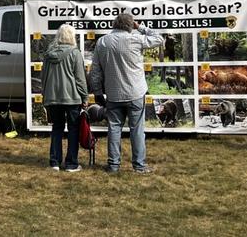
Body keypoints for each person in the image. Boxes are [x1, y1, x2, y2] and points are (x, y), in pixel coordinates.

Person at [88, 13, 164, 174]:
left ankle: (113, 165)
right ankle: (139, 166)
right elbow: (159, 39)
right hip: (136, 93)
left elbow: (95, 71)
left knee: (114, 129)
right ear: (130, 25)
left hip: (113, 94)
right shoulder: (136, 39)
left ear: (114, 24)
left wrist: (97, 91)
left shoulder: (102, 42)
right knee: (137, 130)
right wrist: (140, 27)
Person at [41, 24, 88, 172]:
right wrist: (84, 97)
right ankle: (71, 164)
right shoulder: (75, 53)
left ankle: (54, 162)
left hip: (53, 97)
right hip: (72, 98)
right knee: (73, 129)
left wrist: (45, 94)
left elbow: (43, 77)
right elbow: (80, 78)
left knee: (57, 128)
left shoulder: (48, 54)